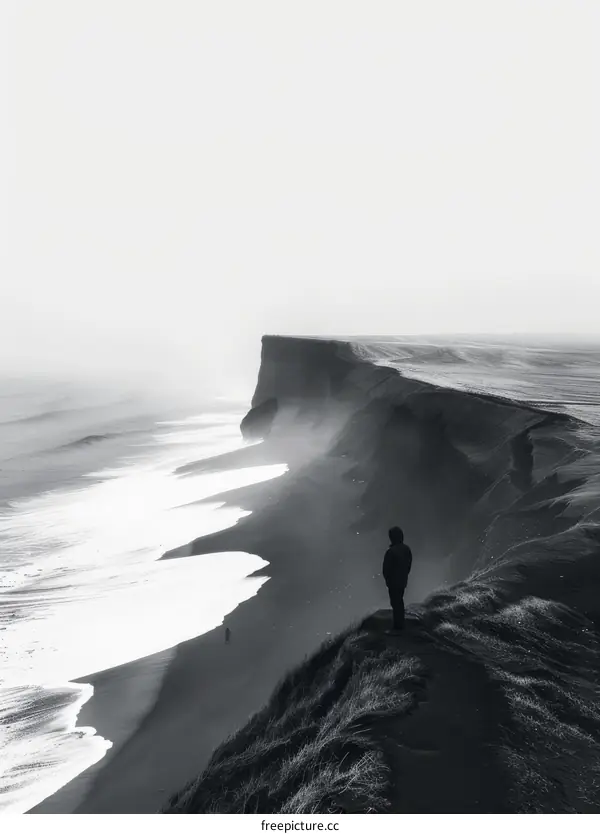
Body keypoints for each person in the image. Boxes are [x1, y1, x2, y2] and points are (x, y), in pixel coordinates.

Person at [382, 526, 412, 631]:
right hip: (403, 580)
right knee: (399, 601)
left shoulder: (391, 552)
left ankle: (398, 627)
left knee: (395, 602)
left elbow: (386, 569)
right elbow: (409, 565)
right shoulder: (406, 549)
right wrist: (405, 575)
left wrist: (388, 580)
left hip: (393, 582)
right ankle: (400, 624)